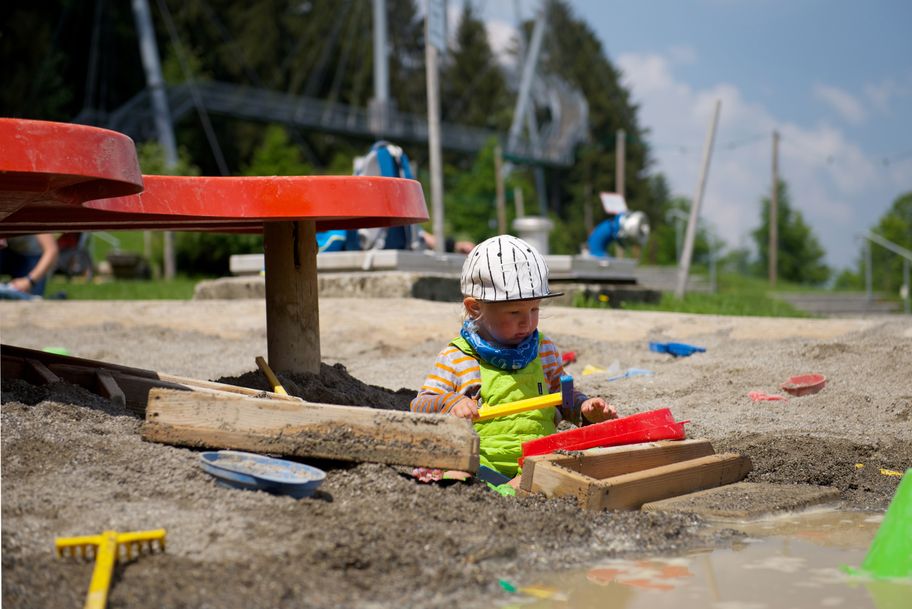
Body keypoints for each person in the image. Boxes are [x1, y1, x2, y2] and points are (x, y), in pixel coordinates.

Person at [410, 235, 617, 493]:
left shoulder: (543, 350)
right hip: (479, 459)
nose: (527, 323)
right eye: (514, 313)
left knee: (556, 471)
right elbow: (420, 405)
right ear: (475, 308)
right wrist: (450, 402)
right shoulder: (458, 357)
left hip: (537, 458)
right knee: (454, 472)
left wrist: (584, 409)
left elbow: (561, 398)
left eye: (534, 310)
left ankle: (515, 489)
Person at [0, 234, 59, 299]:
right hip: (6, 252)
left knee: (32, 298)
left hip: (32, 256)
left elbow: (51, 250)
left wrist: (29, 281)